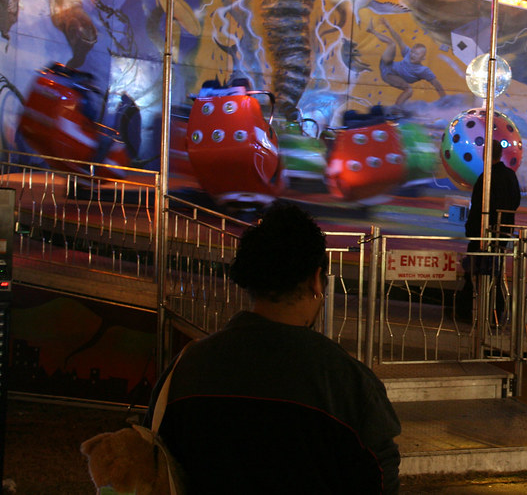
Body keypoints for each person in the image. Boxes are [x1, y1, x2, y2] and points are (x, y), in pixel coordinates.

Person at [146, 202, 402, 494]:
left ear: (251, 281)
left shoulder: (185, 370)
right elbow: (380, 479)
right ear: (316, 280)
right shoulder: (349, 383)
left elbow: (155, 464)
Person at [455, 139, 521, 323]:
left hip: (482, 234)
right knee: (495, 274)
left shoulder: (486, 178)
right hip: (502, 233)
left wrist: (471, 230)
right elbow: (515, 202)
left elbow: (478, 207)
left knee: (473, 273)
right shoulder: (510, 176)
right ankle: (495, 315)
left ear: (486, 155)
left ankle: (466, 311)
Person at [369, 18, 445, 105]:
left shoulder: (423, 70)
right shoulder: (408, 53)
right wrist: (388, 26)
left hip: (390, 76)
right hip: (387, 65)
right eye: (412, 52)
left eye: (416, 54)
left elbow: (437, 84)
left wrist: (444, 99)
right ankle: (371, 30)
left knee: (409, 90)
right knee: (392, 44)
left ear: (423, 58)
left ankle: (396, 109)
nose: (412, 55)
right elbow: (399, 39)